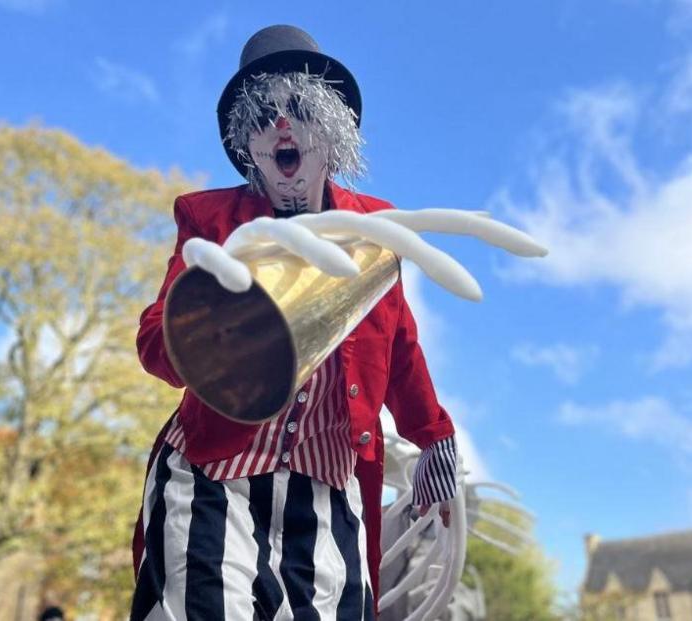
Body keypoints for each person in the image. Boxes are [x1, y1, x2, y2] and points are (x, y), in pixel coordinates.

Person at [130, 25, 460, 620]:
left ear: (330, 136)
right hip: (215, 476)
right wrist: (206, 322)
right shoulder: (211, 221)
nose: (282, 125)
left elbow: (400, 346)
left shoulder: (375, 232)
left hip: (328, 487)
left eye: (302, 109)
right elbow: (157, 341)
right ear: (248, 147)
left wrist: (434, 439)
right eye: (263, 116)